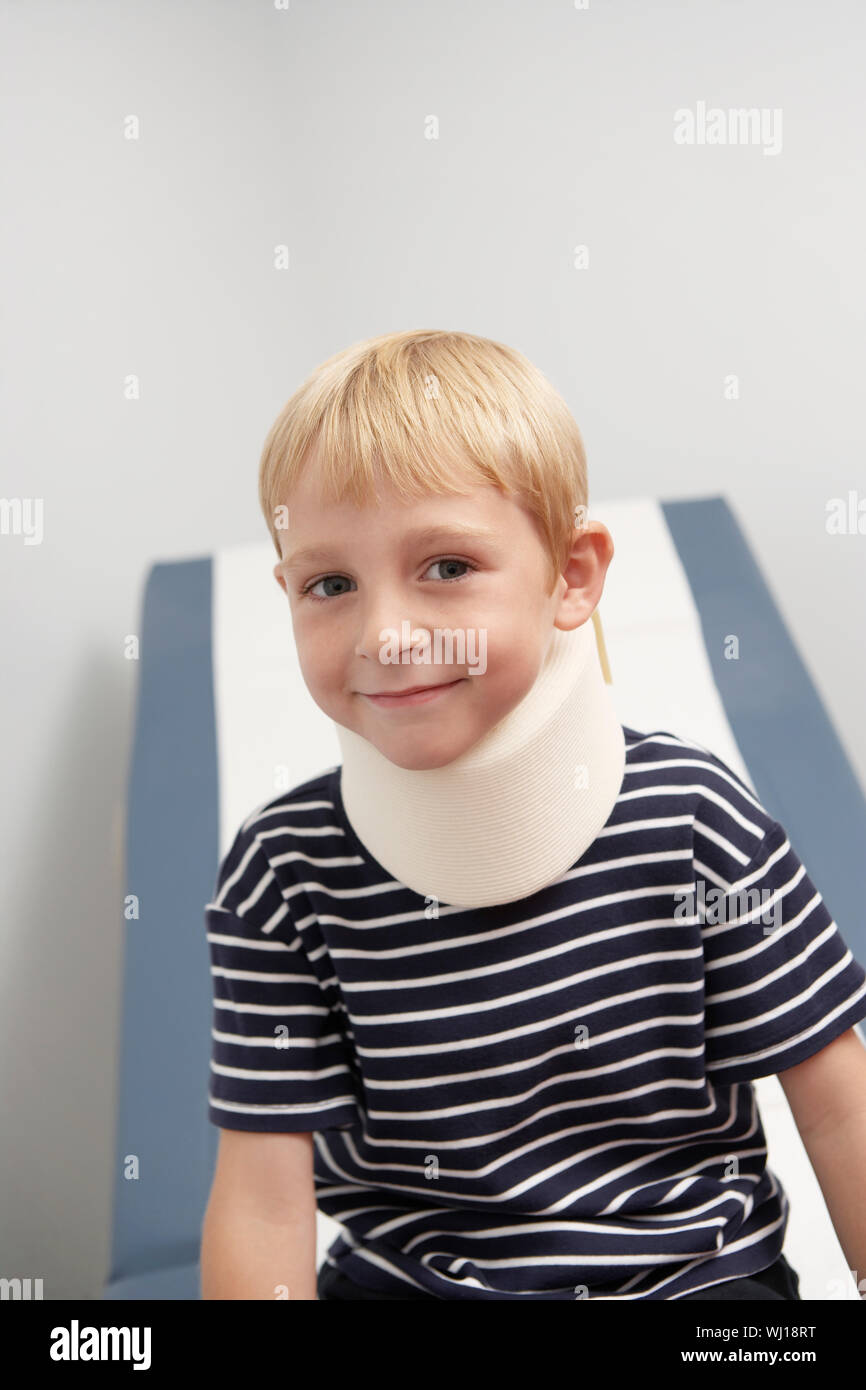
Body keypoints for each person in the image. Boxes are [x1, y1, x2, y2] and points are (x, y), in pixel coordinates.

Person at [200, 329, 866, 1301]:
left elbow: (840, 1109)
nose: (384, 633)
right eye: (329, 584)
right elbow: (262, 1201)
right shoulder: (281, 873)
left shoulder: (694, 821)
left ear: (570, 576)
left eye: (445, 566)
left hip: (688, 1280)